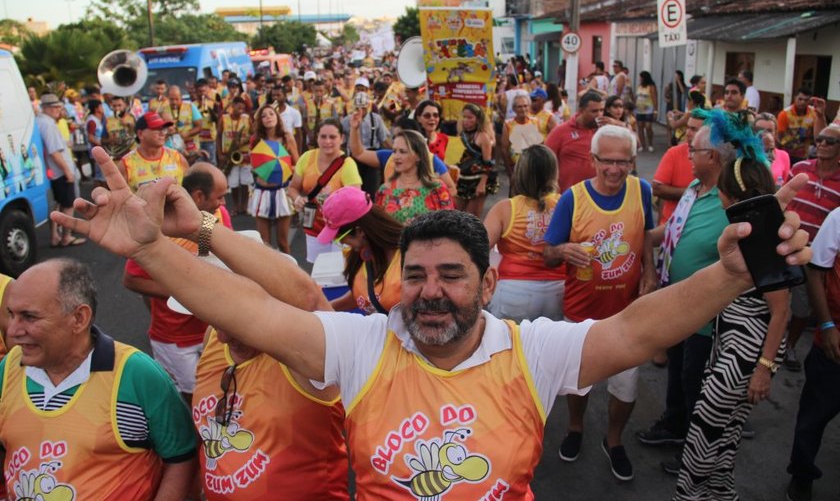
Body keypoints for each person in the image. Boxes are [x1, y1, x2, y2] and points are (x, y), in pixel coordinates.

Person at [51, 145, 811, 500]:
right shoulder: (362, 344)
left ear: (490, 280)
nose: (430, 293)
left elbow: (638, 333)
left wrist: (728, 276)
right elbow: (249, 309)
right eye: (415, 275)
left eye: (451, 276)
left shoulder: (530, 350)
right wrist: (159, 245)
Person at [0, 259, 197, 499]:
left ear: (79, 318)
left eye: (29, 317)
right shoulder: (8, 368)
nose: (12, 331)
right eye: (11, 314)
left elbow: (182, 456)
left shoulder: (135, 374)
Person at [638, 110, 756, 473]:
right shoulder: (693, 189)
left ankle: (694, 450)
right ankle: (674, 425)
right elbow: (669, 231)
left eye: (693, 150)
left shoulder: (733, 201)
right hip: (678, 301)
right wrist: (641, 240)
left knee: (695, 379)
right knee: (676, 367)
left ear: (713, 157)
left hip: (710, 313)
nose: (686, 155)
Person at [674, 136, 789, 500]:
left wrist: (763, 368)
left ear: (731, 197)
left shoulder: (761, 237)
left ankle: (691, 495)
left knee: (705, 431)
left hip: (748, 350)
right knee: (725, 433)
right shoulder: (750, 230)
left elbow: (781, 309)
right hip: (733, 344)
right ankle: (722, 494)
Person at [543, 125, 656, 482]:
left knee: (626, 385)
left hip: (629, 313)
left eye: (623, 161)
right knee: (579, 382)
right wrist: (561, 250)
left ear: (632, 161)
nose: (614, 169)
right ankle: (575, 427)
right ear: (593, 160)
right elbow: (547, 254)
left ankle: (614, 439)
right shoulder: (572, 199)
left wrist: (650, 271)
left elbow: (646, 236)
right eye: (607, 160)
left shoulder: (643, 191)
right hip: (581, 313)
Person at [192, 263, 349, 500]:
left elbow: (309, 299)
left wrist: (203, 229)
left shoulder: (301, 355)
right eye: (215, 318)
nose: (222, 337)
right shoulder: (213, 337)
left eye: (234, 321)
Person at [123, 163, 231, 402]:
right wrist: (184, 290)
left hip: (213, 330)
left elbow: (220, 257)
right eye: (219, 197)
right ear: (198, 196)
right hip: (175, 338)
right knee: (192, 397)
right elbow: (131, 279)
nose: (223, 204)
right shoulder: (159, 227)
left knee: (220, 390)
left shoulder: (217, 216)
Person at [785, 204, 840, 501]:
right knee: (815, 415)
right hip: (835, 342)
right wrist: (828, 325)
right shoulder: (838, 218)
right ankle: (802, 474)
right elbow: (816, 272)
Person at [484, 145, 565, 322]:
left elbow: (479, 249)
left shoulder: (505, 208)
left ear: (520, 172)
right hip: (559, 290)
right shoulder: (565, 204)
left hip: (513, 290)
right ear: (554, 172)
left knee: (511, 347)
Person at [782, 124, 840, 371]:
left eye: (830, 141)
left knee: (803, 308)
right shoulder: (800, 169)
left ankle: (790, 347)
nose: (823, 144)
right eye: (820, 139)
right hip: (784, 247)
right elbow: (781, 202)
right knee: (771, 299)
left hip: (813, 258)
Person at [319, 187, 404, 315]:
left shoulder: (408, 259)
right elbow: (366, 296)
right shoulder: (357, 256)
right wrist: (321, 311)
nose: (341, 243)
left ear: (359, 231)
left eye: (339, 237)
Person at [288, 118, 362, 263]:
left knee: (339, 275)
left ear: (342, 138)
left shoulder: (347, 164)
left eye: (332, 137)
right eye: (323, 136)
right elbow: (293, 188)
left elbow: (356, 200)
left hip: (341, 232)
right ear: (317, 137)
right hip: (314, 228)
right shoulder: (307, 158)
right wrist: (297, 199)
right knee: (319, 273)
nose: (327, 141)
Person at [247, 104, 299, 253]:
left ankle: (290, 275)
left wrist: (282, 166)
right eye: (264, 115)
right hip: (261, 192)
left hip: (282, 192)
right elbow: (254, 165)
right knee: (264, 245)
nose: (268, 117)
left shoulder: (287, 137)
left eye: (271, 114)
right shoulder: (256, 140)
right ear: (260, 121)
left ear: (277, 117)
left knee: (283, 243)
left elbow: (297, 164)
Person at [375, 130, 453, 225]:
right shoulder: (384, 190)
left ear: (419, 156)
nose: (396, 157)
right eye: (394, 151)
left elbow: (449, 226)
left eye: (403, 152)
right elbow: (379, 228)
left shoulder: (437, 188)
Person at [35, 94, 83, 248]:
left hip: (52, 172)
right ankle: (66, 237)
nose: (59, 110)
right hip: (60, 172)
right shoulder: (48, 124)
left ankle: (55, 236)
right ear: (48, 108)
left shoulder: (40, 121)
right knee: (68, 206)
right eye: (56, 107)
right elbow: (54, 152)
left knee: (56, 206)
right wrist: (67, 172)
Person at [545, 91, 605, 192]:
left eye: (601, 110)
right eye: (594, 111)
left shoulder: (605, 131)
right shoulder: (560, 131)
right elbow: (545, 161)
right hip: (567, 195)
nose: (599, 115)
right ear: (581, 111)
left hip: (597, 195)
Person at [653, 113, 706, 225]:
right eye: (688, 127)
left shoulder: (716, 158)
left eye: (694, 129)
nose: (687, 133)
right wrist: (694, 193)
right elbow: (658, 189)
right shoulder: (674, 153)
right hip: (671, 227)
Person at [119, 111, 190, 192]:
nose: (162, 133)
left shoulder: (177, 157)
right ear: (140, 134)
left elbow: (190, 192)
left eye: (163, 129)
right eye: (156, 129)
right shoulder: (126, 164)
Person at [458, 103, 498, 216]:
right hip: (462, 179)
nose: (466, 120)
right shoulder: (462, 134)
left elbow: (488, 163)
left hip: (478, 180)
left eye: (470, 117)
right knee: (455, 212)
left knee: (472, 216)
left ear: (478, 119)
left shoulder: (483, 136)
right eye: (464, 117)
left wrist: (482, 184)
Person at [217, 96, 252, 215]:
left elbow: (253, 135)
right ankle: (236, 207)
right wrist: (220, 153)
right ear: (232, 107)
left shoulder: (247, 119)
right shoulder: (224, 119)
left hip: (244, 155)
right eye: (239, 108)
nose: (241, 110)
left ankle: (245, 206)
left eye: (243, 108)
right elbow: (218, 136)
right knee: (234, 183)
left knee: (245, 183)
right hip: (230, 155)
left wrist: (244, 141)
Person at [501, 94, 542, 177]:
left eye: (525, 106)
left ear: (529, 107)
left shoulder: (535, 122)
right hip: (516, 169)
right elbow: (504, 150)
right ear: (514, 109)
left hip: (533, 168)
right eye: (519, 107)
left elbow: (541, 145)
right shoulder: (508, 124)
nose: (523, 109)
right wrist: (510, 173)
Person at [778, 87, 819, 164]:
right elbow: (779, 137)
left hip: (804, 154)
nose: (803, 102)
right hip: (786, 153)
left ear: (809, 101)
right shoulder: (784, 114)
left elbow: (817, 134)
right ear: (794, 98)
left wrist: (810, 135)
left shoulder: (814, 113)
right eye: (800, 99)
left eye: (806, 100)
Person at [165, 85, 202, 160]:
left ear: (181, 97)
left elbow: (199, 126)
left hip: (191, 146)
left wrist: (187, 133)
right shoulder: (164, 110)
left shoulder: (190, 106)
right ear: (167, 98)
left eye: (177, 99)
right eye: (171, 99)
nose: (174, 102)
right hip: (173, 148)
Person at [754, 112, 791, 185]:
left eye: (769, 130)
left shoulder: (783, 156)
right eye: (758, 129)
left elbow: (784, 185)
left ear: (775, 134)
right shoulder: (744, 152)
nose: (763, 133)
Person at [102, 95, 137, 161]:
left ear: (126, 105)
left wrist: (129, 125)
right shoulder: (108, 121)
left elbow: (139, 135)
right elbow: (102, 140)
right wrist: (110, 140)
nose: (117, 108)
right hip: (116, 157)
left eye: (119, 105)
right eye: (114, 106)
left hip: (131, 157)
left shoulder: (133, 118)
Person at [635, 71, 658, 152]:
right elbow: (636, 96)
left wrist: (655, 111)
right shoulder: (639, 86)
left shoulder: (651, 86)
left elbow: (655, 98)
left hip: (649, 110)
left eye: (641, 77)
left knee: (648, 127)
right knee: (640, 126)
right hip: (639, 110)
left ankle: (650, 144)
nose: (640, 78)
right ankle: (642, 144)